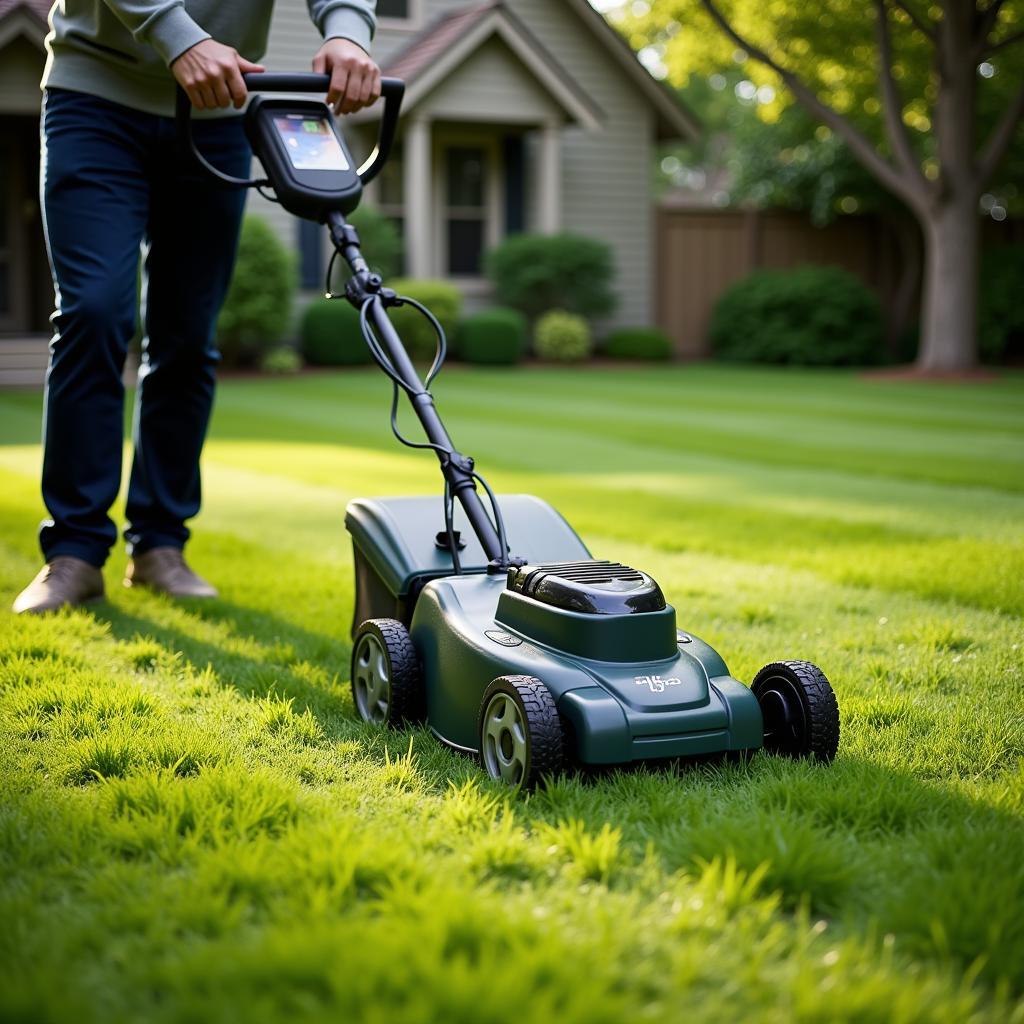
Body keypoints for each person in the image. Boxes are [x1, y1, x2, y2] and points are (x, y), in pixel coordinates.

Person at [13, 1, 380, 615]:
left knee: (187, 335)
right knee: (95, 312)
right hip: (96, 95)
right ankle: (74, 553)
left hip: (220, 111)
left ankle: (159, 546)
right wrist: (178, 37)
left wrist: (347, 31)